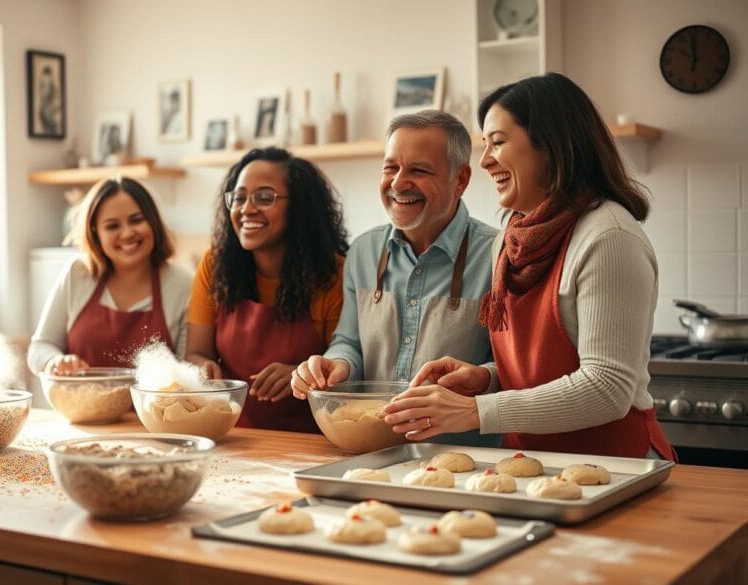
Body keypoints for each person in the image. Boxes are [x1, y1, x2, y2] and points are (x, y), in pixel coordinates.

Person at [383, 73, 676, 460]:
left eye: (498, 143)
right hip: (533, 462)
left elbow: (607, 388)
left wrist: (475, 412)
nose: (485, 160)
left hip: (615, 464)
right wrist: (487, 378)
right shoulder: (512, 237)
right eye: (485, 145)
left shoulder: (608, 237)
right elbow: (548, 371)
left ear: (552, 145)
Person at [290, 110, 498, 447]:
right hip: (373, 452)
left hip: (463, 461)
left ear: (460, 180)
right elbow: (350, 341)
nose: (399, 183)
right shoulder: (363, 251)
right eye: (390, 168)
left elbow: (513, 371)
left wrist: (483, 378)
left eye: (419, 170)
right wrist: (336, 364)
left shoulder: (498, 255)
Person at [185, 147, 348, 432]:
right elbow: (196, 352)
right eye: (238, 198)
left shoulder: (335, 275)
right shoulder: (214, 264)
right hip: (232, 433)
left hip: (313, 438)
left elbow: (345, 367)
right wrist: (202, 369)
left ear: (299, 206)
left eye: (264, 197)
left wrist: (301, 373)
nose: (247, 208)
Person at [28, 177, 192, 375]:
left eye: (136, 220)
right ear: (96, 234)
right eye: (112, 226)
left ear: (153, 222)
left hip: (151, 408)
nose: (127, 233)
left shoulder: (184, 285)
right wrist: (55, 361)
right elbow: (40, 347)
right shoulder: (77, 273)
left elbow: (188, 373)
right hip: (78, 406)